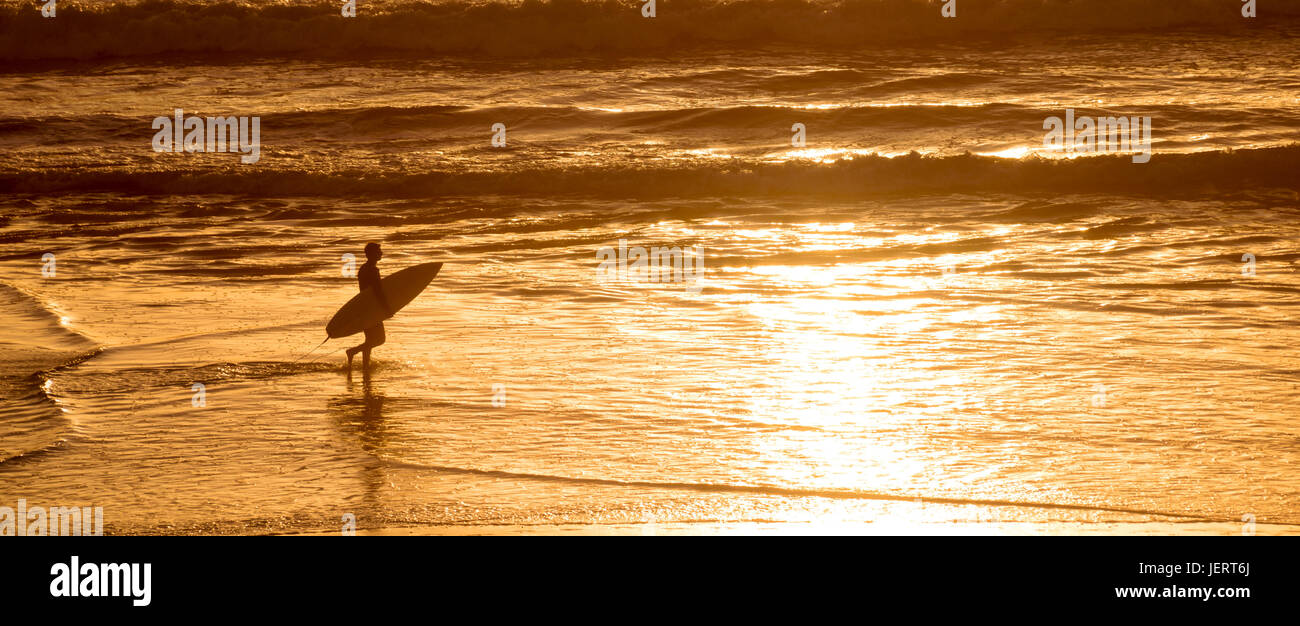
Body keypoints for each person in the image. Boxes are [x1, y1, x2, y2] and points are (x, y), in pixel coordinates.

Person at [346, 242, 394, 372]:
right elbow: (378, 291)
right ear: (372, 254)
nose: (381, 253)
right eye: (378, 251)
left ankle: (365, 367)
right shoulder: (372, 270)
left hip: (364, 308)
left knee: (370, 339)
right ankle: (352, 351)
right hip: (372, 309)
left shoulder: (363, 268)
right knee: (380, 340)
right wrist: (387, 309)